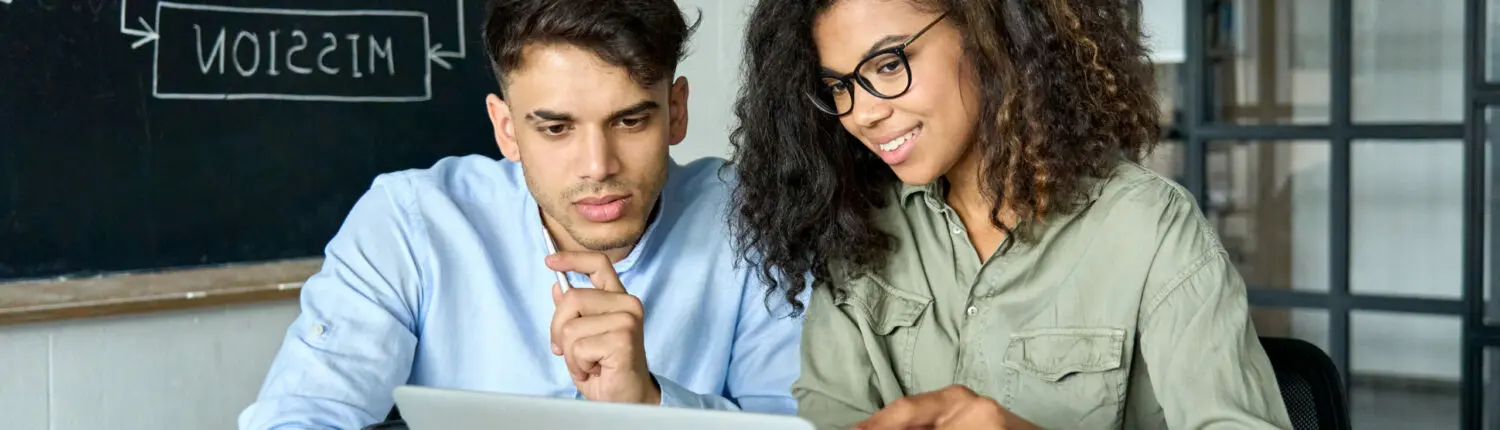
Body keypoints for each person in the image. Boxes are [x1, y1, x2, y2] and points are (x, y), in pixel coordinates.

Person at [728, 0, 1293, 429]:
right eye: (841, 86)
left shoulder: (1149, 229)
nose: (866, 112)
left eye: (887, 63)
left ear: (986, 32)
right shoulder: (854, 229)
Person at [238, 0, 803, 428]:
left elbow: (796, 424)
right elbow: (301, 415)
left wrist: (648, 402)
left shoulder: (753, 217)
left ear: (675, 111)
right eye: (556, 128)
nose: (598, 166)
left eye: (630, 121)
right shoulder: (409, 222)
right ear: (506, 129)